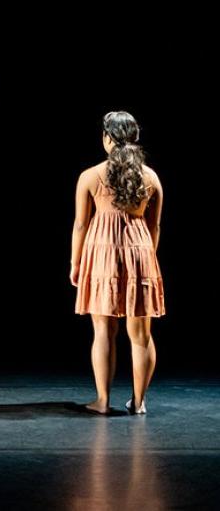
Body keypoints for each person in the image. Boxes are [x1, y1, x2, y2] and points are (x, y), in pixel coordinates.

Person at [71, 111, 164, 415]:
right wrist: (147, 257)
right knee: (141, 334)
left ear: (107, 138)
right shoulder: (150, 178)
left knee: (103, 330)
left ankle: (102, 401)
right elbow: (155, 227)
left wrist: (75, 262)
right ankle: (138, 403)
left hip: (102, 252)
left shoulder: (90, 176)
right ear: (135, 138)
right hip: (141, 252)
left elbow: (81, 225)